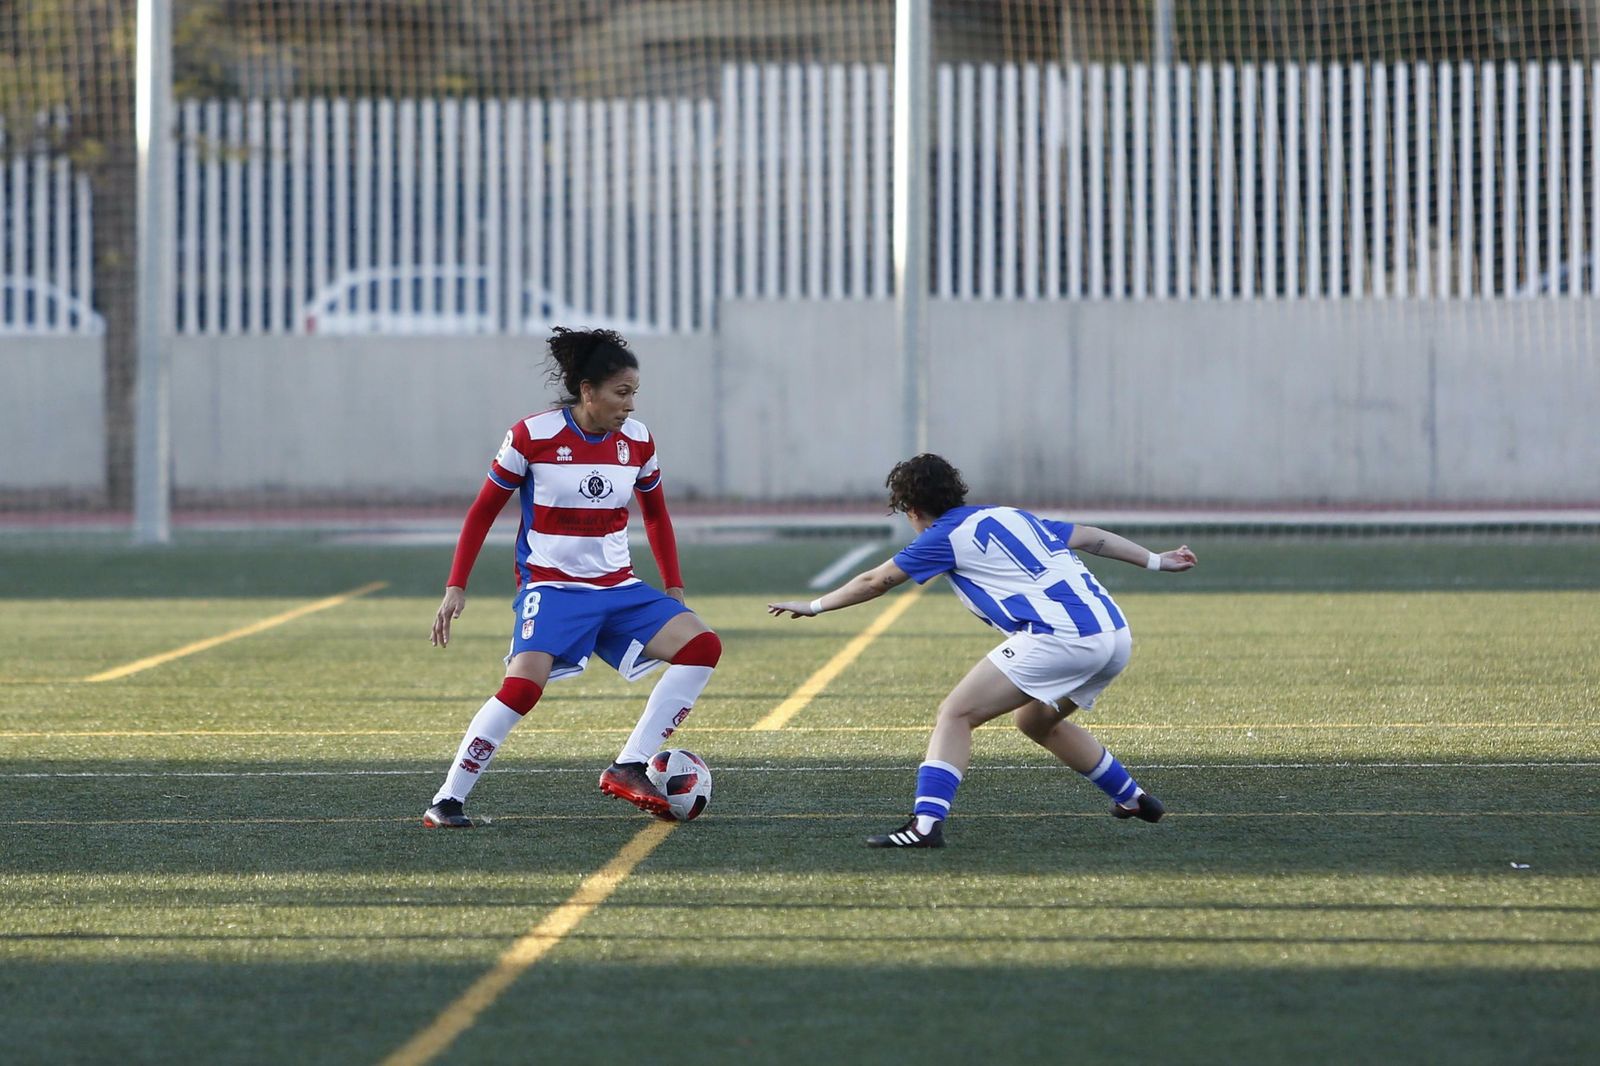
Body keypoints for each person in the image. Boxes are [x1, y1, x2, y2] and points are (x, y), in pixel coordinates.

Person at [768, 453, 1196, 848]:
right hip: (1114, 635)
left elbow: (876, 581)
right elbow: (1088, 536)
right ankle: (1134, 799)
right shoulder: (1010, 515)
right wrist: (1156, 560)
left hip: (1062, 638)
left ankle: (925, 826)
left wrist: (813, 606)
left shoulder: (943, 535)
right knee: (1035, 721)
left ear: (912, 511)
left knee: (956, 714)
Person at [424, 327, 722, 828]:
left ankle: (629, 765)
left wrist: (674, 586)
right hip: (552, 589)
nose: (629, 406)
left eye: (634, 395)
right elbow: (481, 513)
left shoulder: (639, 440)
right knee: (521, 690)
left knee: (703, 647)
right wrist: (457, 585)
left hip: (620, 589)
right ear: (588, 390)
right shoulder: (531, 436)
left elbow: (656, 516)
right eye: (620, 393)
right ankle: (447, 799)